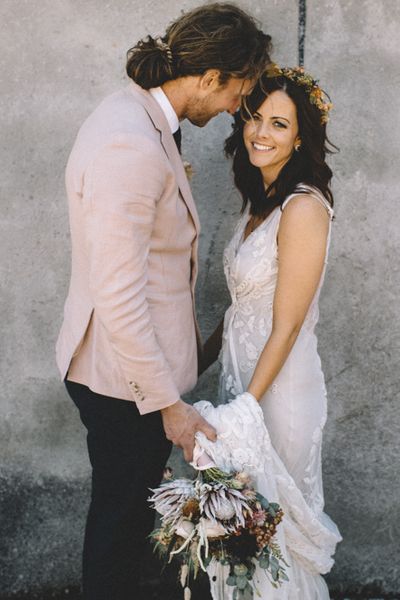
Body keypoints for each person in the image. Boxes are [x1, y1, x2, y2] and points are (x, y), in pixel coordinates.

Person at [55, 3, 271, 599]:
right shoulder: (129, 143)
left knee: (126, 526)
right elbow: (118, 293)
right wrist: (168, 405)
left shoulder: (141, 118)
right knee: (119, 534)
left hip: (133, 378)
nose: (235, 108)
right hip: (124, 385)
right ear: (209, 78)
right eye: (236, 92)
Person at [197, 65, 342, 598]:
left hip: (276, 395)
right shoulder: (261, 206)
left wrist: (247, 410)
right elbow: (241, 308)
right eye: (255, 118)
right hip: (243, 385)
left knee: (270, 537)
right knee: (240, 539)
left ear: (300, 135)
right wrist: (197, 364)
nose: (261, 132)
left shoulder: (303, 207)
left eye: (279, 124)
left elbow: (287, 324)